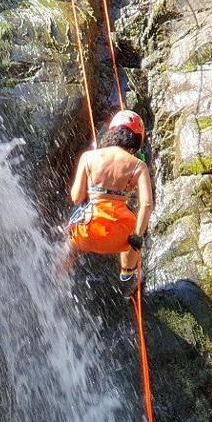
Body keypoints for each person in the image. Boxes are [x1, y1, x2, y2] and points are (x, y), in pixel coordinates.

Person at [65, 110, 153, 296]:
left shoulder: (89, 157)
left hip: (88, 231)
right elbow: (146, 204)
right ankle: (127, 276)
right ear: (136, 138)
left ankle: (56, 277)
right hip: (120, 236)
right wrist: (137, 236)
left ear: (112, 131)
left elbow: (76, 197)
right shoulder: (138, 165)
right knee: (131, 237)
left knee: (71, 246)